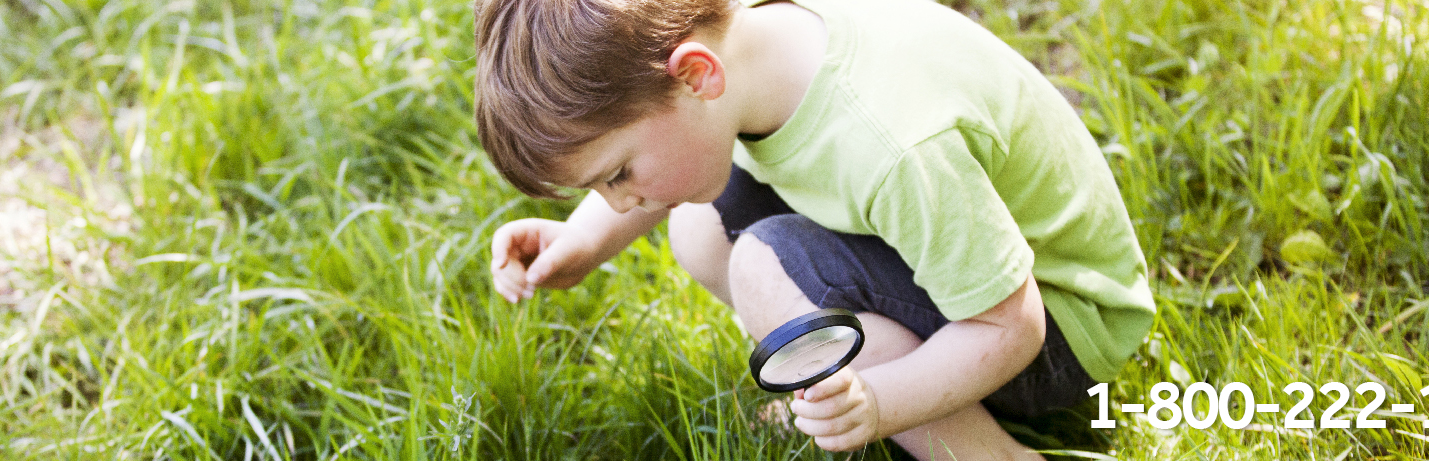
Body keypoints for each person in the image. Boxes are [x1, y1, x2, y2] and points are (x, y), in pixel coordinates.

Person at [475, 0, 1155, 458]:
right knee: (701, 227)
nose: (619, 202)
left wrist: (880, 403)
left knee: (759, 266)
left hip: (1061, 331)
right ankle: (854, 370)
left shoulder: (891, 145)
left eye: (617, 173)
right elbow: (670, 137)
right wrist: (581, 240)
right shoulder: (754, 44)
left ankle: (990, 451)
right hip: (986, 268)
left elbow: (1015, 326)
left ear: (695, 75)